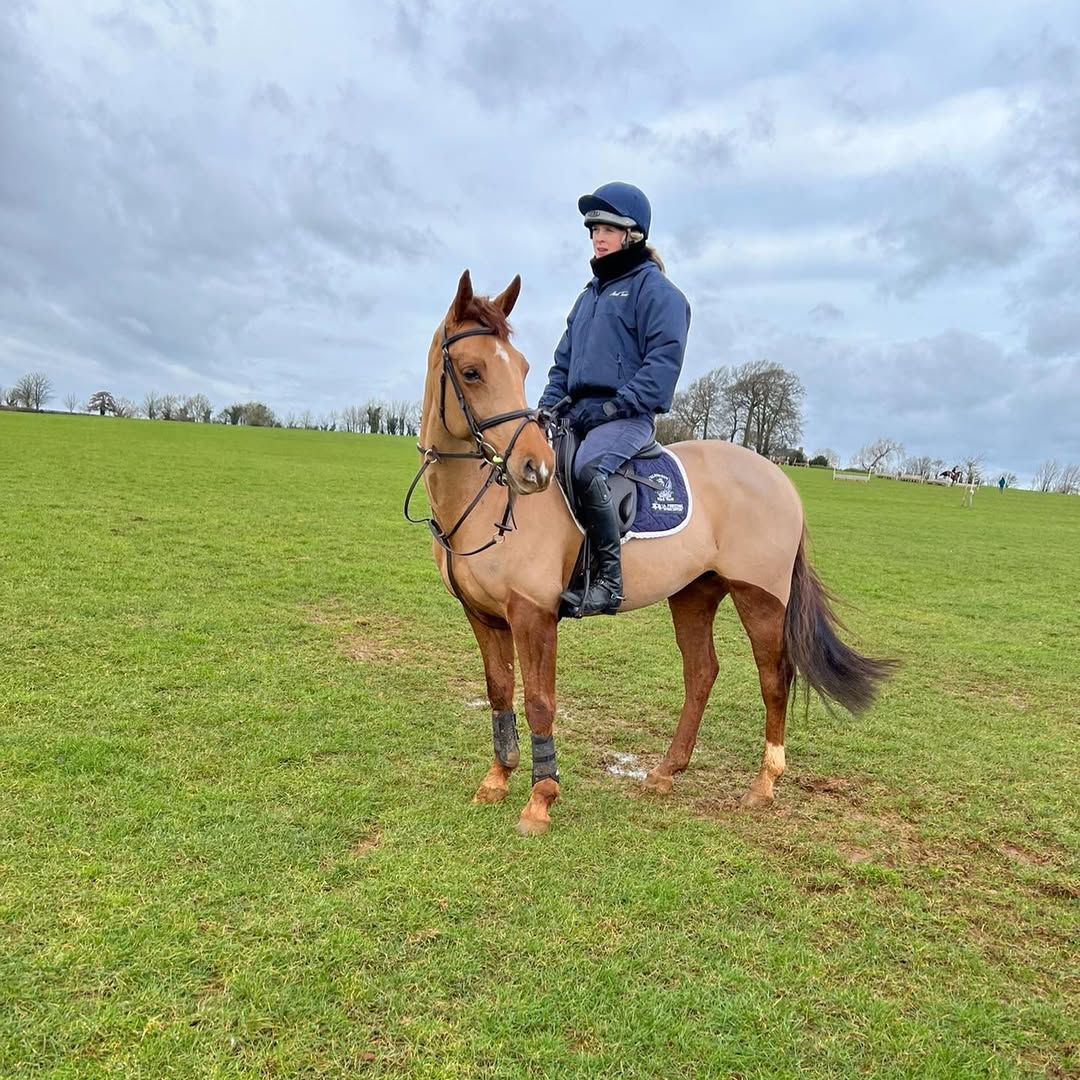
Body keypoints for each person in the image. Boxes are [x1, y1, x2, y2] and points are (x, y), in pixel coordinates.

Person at [538, 182, 691, 616]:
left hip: (626, 417)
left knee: (587, 470)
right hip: (577, 415)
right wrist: (546, 407)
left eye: (607, 229)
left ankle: (608, 581)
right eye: (593, 230)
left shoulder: (657, 292)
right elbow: (562, 364)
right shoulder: (588, 297)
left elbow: (662, 365)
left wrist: (616, 406)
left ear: (632, 234)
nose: (597, 238)